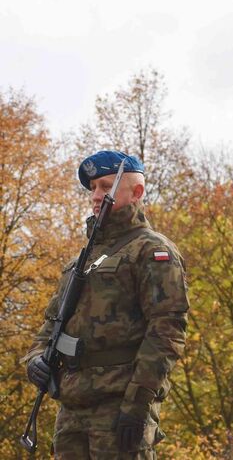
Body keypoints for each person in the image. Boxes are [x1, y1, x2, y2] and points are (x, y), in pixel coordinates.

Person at [24, 151, 189, 459]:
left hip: (119, 410)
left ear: (136, 192)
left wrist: (137, 404)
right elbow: (51, 324)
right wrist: (35, 359)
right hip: (71, 411)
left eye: (105, 186)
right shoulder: (82, 260)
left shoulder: (152, 251)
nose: (96, 195)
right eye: (93, 188)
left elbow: (167, 334)